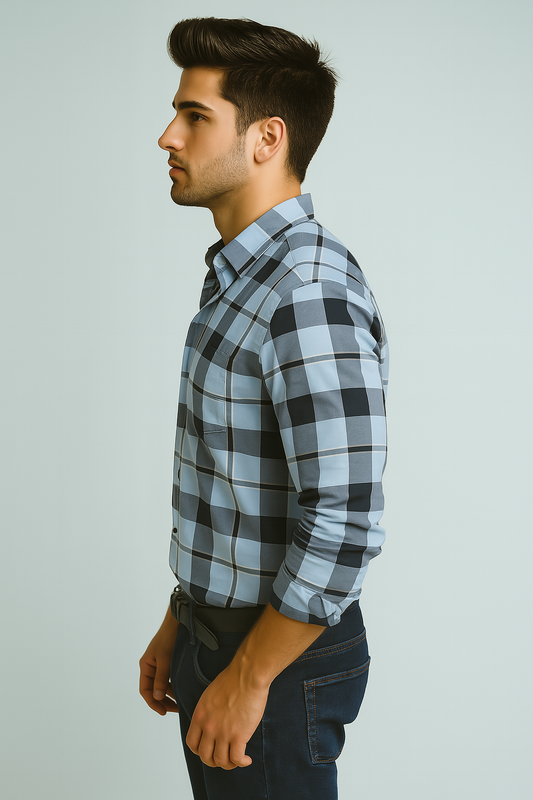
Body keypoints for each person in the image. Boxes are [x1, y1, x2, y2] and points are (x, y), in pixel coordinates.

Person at [139, 17, 388, 800]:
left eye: (194, 115)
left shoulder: (306, 291)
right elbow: (238, 483)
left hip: (276, 665)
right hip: (221, 639)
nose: (166, 136)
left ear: (266, 137)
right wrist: (185, 616)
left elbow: (343, 522)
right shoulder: (242, 277)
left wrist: (247, 678)